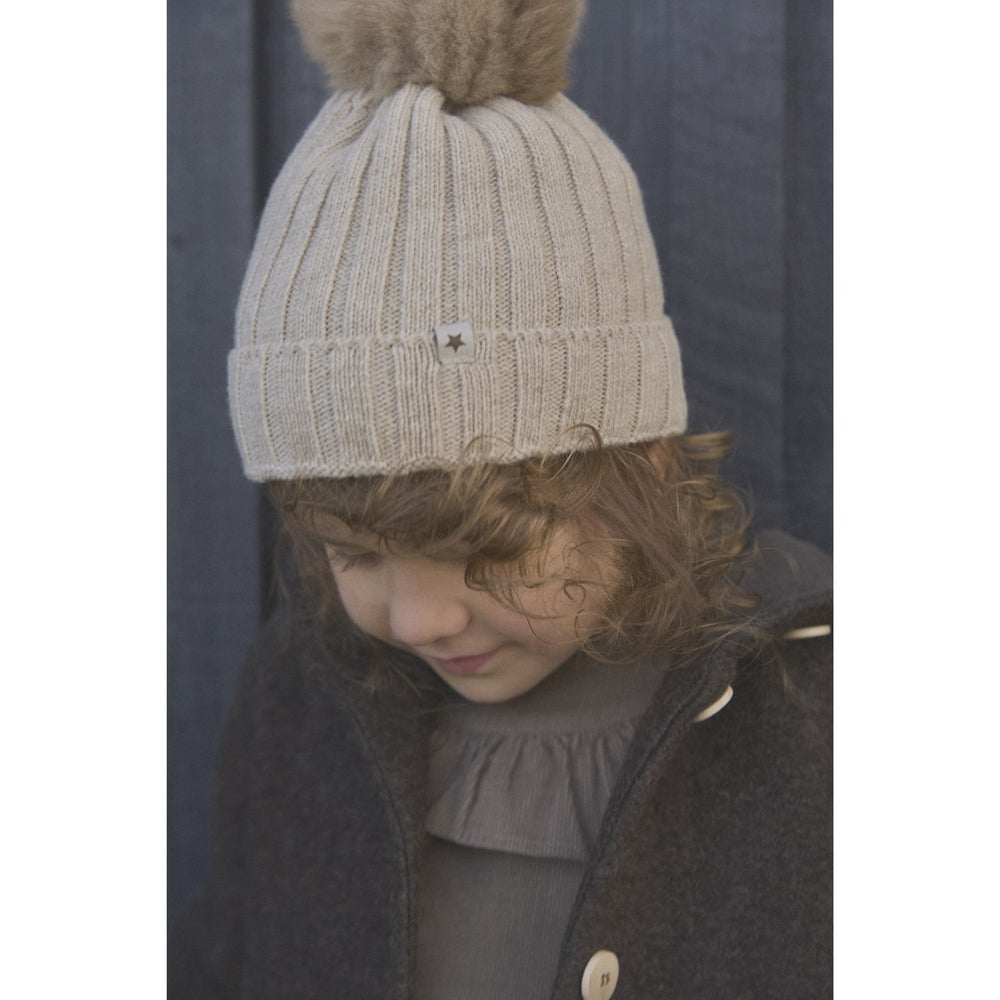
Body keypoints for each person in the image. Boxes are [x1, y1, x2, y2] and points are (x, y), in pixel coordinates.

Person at [169, 1, 832, 997]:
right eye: (354, 551)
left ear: (642, 460)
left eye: (486, 548)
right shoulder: (304, 700)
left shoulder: (814, 714)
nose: (418, 618)